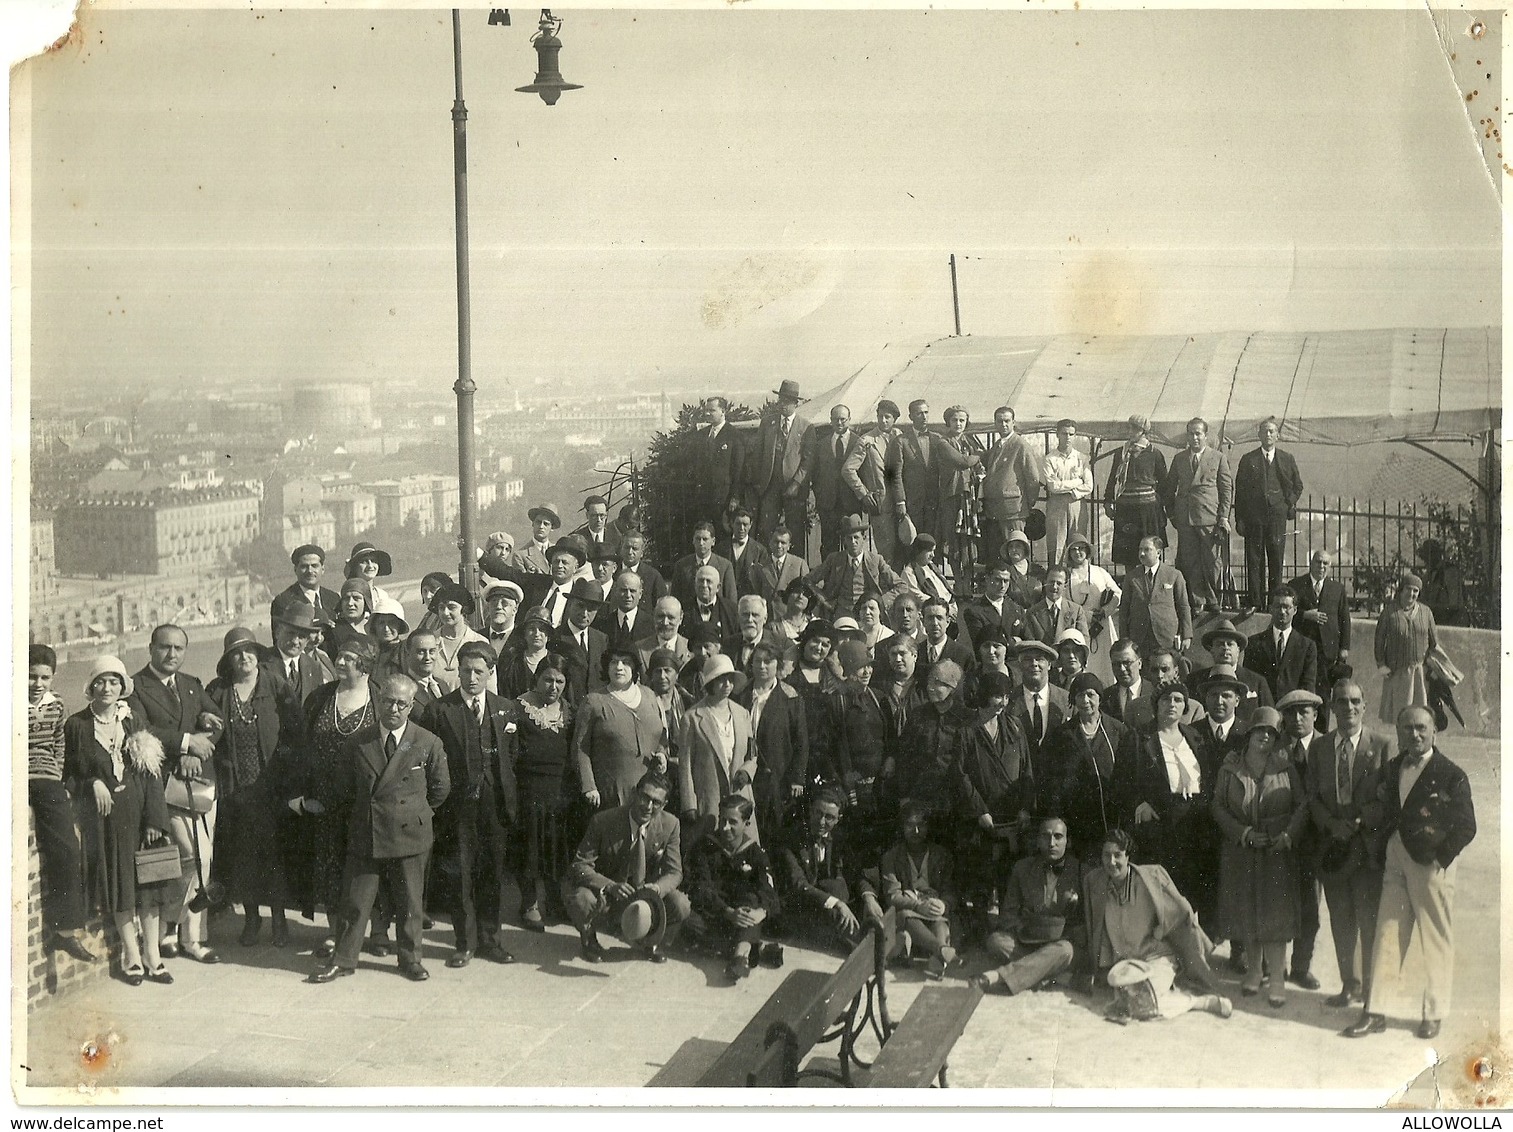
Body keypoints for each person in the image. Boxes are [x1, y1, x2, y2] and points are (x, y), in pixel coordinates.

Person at [309, 674, 450, 983]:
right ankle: (344, 959)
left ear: (411, 706)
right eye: (387, 701)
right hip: (368, 830)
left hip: (409, 832)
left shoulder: (427, 741)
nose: (394, 709)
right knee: (356, 902)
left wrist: (414, 813)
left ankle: (410, 959)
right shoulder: (359, 741)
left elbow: (440, 790)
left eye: (401, 703)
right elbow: (344, 789)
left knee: (410, 903)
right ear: (379, 701)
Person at [1345, 706, 1476, 1040]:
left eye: (1421, 728)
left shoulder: (1452, 774)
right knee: (1387, 933)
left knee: (1435, 940)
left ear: (1434, 732)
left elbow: (1466, 826)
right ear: (1399, 732)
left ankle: (1434, 1013)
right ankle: (1377, 1011)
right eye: (1407, 729)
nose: (1414, 735)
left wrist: (1439, 859)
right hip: (1396, 859)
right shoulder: (1392, 767)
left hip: (1431, 865)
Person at [65, 657, 180, 986]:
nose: (107, 688)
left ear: (122, 687)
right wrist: (92, 783)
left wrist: (156, 818)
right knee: (120, 888)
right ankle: (132, 956)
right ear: (91, 686)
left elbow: (151, 770)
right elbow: (71, 774)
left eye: (114, 682)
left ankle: (154, 957)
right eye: (101, 682)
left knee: (149, 889)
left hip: (142, 815)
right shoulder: (77, 725)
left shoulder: (132, 719)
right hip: (107, 822)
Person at [412, 641, 519, 967]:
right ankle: (465, 943)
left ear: (489, 673)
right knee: (460, 876)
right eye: (465, 671)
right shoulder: (440, 710)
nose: (471, 678)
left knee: (491, 873)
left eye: (478, 672)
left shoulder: (505, 708)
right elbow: (427, 760)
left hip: (494, 804)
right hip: (456, 808)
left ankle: (491, 940)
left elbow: (512, 755)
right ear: (457, 672)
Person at [126, 625, 221, 964]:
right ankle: (182, 932)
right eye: (165, 647)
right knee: (196, 856)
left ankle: (179, 932)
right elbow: (139, 728)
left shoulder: (191, 685)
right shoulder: (135, 687)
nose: (172, 655)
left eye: (179, 648)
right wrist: (184, 743)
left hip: (198, 786)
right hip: (164, 787)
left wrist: (196, 750)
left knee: (194, 861)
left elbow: (215, 721)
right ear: (151, 648)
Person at [205, 627, 299, 948]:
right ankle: (251, 917)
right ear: (228, 659)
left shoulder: (275, 685)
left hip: (269, 789)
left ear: (258, 655)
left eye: (249, 651)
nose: (244, 658)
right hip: (235, 791)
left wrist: (288, 776)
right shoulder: (218, 691)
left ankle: (279, 920)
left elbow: (294, 731)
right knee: (243, 857)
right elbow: (206, 731)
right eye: (236, 653)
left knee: (274, 855)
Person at [1210, 707, 1307, 1007]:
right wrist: (1242, 832)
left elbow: (1302, 806)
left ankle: (1276, 977)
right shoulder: (1230, 768)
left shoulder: (1285, 767)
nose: (1265, 736)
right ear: (1249, 733)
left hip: (1276, 852)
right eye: (1259, 730)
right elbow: (1217, 807)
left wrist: (1288, 834)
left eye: (1271, 732)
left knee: (1275, 917)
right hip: (1241, 852)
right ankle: (1253, 972)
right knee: (1247, 913)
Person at [1083, 829, 1232, 1022]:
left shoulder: (1149, 881)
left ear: (1128, 856)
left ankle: (1201, 1002)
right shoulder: (1097, 884)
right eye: (1106, 855)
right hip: (1127, 964)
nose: (1111, 862)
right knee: (1133, 1002)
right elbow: (1099, 930)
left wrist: (1164, 928)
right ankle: (1162, 999)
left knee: (1142, 1003)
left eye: (1117, 855)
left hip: (1158, 958)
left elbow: (1182, 910)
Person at [291, 636, 378, 959]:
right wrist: (302, 793)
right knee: (330, 868)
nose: (340, 662)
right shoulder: (320, 698)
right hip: (325, 801)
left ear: (365, 664)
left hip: (365, 802)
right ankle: (333, 932)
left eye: (348, 658)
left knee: (363, 869)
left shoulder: (379, 698)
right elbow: (300, 748)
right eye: (340, 656)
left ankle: (364, 932)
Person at [1307, 679, 1389, 1009]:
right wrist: (1331, 824)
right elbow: (1312, 797)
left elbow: (1387, 799)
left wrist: (1359, 820)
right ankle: (1349, 985)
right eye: (1342, 702)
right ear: (1332, 708)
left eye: (1355, 701)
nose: (1349, 708)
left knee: (1368, 922)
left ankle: (1372, 991)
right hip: (1335, 848)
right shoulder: (1320, 748)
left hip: (1365, 848)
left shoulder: (1380, 744)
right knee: (1341, 920)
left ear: (1365, 706)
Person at [565, 769, 689, 963]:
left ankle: (652, 940)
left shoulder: (671, 824)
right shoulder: (603, 820)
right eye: (644, 797)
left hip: (645, 896)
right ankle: (589, 938)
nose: (648, 806)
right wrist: (610, 885)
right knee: (582, 898)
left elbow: (674, 872)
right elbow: (580, 865)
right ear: (634, 793)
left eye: (656, 802)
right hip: (610, 895)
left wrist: (656, 888)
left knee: (681, 904)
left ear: (664, 804)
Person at [1128, 681, 1221, 931]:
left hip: (1197, 823)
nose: (1172, 704)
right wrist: (1140, 802)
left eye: (1178, 700)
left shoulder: (1195, 736)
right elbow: (1123, 779)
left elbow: (1209, 778)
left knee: (1196, 889)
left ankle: (1200, 951)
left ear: (1185, 706)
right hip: (1163, 824)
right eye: (1166, 699)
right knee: (1168, 894)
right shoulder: (1140, 737)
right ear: (1155, 705)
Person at [27, 644, 95, 962]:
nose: (37, 684)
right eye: (31, 677)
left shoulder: (56, 705)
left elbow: (59, 743)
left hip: (46, 780)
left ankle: (64, 933)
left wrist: (54, 774)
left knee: (68, 848)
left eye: (44, 677)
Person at [978, 816, 1086, 995]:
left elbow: (1086, 922)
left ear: (1068, 841)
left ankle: (1000, 976)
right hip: (1027, 940)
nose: (1051, 843)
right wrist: (1025, 930)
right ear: (1037, 841)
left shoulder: (1082, 871)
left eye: (1058, 837)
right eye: (1046, 836)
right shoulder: (1022, 868)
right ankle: (1053, 976)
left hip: (1060, 944)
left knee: (1066, 950)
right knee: (996, 942)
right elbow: (1008, 915)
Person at [955, 669, 1032, 914]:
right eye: (997, 696)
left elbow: (1026, 769)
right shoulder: (967, 729)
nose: (1002, 702)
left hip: (1011, 817)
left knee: (1009, 879)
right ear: (985, 695)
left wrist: (1025, 808)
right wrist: (979, 810)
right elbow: (959, 774)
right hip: (982, 819)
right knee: (981, 880)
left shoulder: (1014, 726)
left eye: (1007, 696)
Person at [685, 793, 780, 982]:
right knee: (688, 923)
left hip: (742, 915)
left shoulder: (755, 853)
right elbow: (700, 888)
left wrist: (762, 911)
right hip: (713, 913)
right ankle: (751, 949)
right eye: (722, 820)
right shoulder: (704, 847)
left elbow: (769, 892)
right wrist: (727, 912)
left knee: (752, 902)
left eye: (732, 822)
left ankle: (739, 957)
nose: (725, 827)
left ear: (746, 824)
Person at [775, 786, 881, 950]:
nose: (822, 822)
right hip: (800, 904)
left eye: (829, 817)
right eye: (818, 813)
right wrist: (837, 903)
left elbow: (855, 872)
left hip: (828, 899)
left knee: (859, 903)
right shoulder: (791, 839)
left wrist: (868, 898)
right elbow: (798, 884)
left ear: (838, 819)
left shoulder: (840, 838)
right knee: (838, 913)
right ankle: (867, 949)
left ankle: (874, 942)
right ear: (810, 810)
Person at [512, 657, 574, 931]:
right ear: (537, 679)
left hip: (559, 791)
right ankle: (529, 904)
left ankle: (555, 900)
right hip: (529, 790)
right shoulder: (519, 708)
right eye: (548, 679)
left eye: (559, 681)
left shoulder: (569, 712)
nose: (553, 686)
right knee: (529, 849)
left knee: (555, 847)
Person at [573, 644, 667, 814]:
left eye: (626, 662)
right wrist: (589, 786)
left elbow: (661, 736)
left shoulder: (650, 696)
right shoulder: (594, 701)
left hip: (649, 792)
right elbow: (581, 747)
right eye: (613, 662)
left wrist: (662, 754)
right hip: (611, 793)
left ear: (635, 667)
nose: (619, 667)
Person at [1047, 673, 1132, 855]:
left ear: (1100, 697)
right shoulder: (1062, 735)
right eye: (1079, 695)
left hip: (1113, 819)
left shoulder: (1118, 730)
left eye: (1090, 694)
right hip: (1078, 821)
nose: (1085, 700)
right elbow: (1054, 782)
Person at [678, 654, 759, 844]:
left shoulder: (742, 713)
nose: (727, 685)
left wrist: (747, 772)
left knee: (743, 850)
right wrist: (689, 804)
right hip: (709, 799)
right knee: (711, 850)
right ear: (710, 683)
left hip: (740, 797)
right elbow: (685, 764)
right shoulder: (692, 718)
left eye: (730, 680)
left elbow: (752, 753)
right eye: (721, 680)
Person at [1275, 688, 1325, 991]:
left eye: (1303, 712)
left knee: (1310, 907)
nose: (1296, 719)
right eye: (1290, 713)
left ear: (1315, 715)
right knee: (1278, 904)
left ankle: (1301, 966)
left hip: (1314, 840)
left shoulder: (1326, 745)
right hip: (1280, 837)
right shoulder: (1275, 747)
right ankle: (1274, 966)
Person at [879, 801, 959, 979]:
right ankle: (941, 950)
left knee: (940, 920)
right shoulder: (891, 857)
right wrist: (917, 906)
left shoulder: (941, 855)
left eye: (920, 825)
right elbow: (892, 897)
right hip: (909, 914)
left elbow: (951, 892)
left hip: (934, 911)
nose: (915, 831)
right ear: (902, 827)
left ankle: (938, 960)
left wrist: (943, 904)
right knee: (906, 915)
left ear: (928, 826)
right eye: (910, 825)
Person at [1162, 417, 1233, 616]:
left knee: (1212, 561)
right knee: (1191, 561)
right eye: (1191, 434)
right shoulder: (1180, 459)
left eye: (1198, 434)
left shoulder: (1217, 457)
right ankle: (1198, 601)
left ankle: (1213, 598)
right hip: (1186, 518)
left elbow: (1226, 489)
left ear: (1205, 436)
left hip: (1209, 518)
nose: (1194, 438)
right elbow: (1169, 488)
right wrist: (1172, 514)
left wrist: (1224, 517)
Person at [735, 642, 808, 837]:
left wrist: (797, 779)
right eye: (757, 661)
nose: (762, 666)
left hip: (777, 775)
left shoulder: (791, 698)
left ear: (778, 664)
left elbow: (801, 742)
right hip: (744, 775)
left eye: (768, 661)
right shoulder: (740, 694)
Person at [1233, 417, 1303, 609]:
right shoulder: (1248, 460)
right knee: (1254, 560)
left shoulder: (1287, 459)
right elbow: (1240, 491)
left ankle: (1274, 602)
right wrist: (1239, 519)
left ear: (1278, 435)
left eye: (1272, 431)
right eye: (1264, 431)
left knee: (1276, 560)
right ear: (1259, 435)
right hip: (1253, 518)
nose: (1268, 434)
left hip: (1277, 519)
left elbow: (1298, 486)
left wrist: (1287, 503)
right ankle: (1255, 602)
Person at [895, 660, 974, 829]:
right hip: (921, 797)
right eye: (930, 682)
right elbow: (904, 757)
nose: (930, 687)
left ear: (953, 688)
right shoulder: (918, 715)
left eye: (938, 683)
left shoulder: (967, 719)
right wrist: (904, 795)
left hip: (955, 801)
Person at [747, 380, 815, 553]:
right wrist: (758, 482)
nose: (782, 404)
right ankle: (766, 572)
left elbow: (808, 461)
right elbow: (758, 455)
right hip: (770, 487)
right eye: (781, 400)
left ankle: (795, 574)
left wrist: (796, 484)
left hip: (794, 489)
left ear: (796, 403)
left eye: (787, 401)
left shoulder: (806, 427)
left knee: (795, 533)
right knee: (766, 530)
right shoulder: (767, 423)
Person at [803, 514, 909, 618]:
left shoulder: (876, 560)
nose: (853, 542)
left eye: (856, 537)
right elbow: (808, 580)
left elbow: (901, 586)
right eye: (849, 538)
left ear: (864, 537)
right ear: (844, 540)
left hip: (867, 613)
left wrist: (880, 602)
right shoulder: (835, 559)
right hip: (840, 613)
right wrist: (824, 600)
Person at [1290, 549, 1351, 729]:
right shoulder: (1296, 585)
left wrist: (1344, 647)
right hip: (1302, 648)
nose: (1321, 567)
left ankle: (1321, 734)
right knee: (1302, 690)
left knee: (1323, 694)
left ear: (1330, 567)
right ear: (1311, 563)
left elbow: (1344, 619)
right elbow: (1286, 612)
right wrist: (1304, 615)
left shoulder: (1337, 589)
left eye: (1325, 563)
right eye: (1318, 562)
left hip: (1327, 651)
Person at [841, 399, 907, 564]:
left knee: (905, 547)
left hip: (903, 501)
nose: (883, 421)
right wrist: (863, 494)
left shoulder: (901, 437)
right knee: (886, 550)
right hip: (881, 504)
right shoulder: (867, 440)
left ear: (895, 419)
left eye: (888, 417)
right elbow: (848, 469)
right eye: (880, 416)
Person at [1102, 416, 1168, 574]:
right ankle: (1132, 587)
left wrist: (1159, 507)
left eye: (1135, 428)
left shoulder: (1154, 453)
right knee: (1129, 554)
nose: (1130, 432)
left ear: (1144, 431)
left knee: (1150, 550)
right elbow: (1112, 478)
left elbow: (1165, 483)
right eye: (1129, 428)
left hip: (1147, 512)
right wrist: (1108, 501)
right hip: (1126, 510)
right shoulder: (1122, 453)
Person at [1373, 571, 1440, 726]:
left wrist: (1432, 667)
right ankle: (1402, 746)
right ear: (1401, 590)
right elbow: (1379, 640)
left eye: (1415, 591)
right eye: (1408, 589)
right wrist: (1381, 664)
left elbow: (1434, 643)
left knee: (1421, 716)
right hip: (1397, 672)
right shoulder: (1389, 612)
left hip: (1420, 673)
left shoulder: (1426, 612)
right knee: (1401, 715)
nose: (1411, 594)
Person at [980, 405, 1042, 562]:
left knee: (1015, 552)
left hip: (1014, 510)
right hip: (995, 509)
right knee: (999, 553)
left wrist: (1027, 503)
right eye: (1000, 421)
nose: (1003, 425)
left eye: (1007, 421)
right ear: (995, 423)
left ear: (1013, 422)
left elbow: (1033, 478)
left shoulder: (1020, 445)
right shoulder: (997, 446)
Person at [1006, 641, 1068, 784]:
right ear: (1020, 665)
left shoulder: (1066, 700)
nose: (1034, 664)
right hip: (1021, 785)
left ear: (1050, 665)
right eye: (1027, 659)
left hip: (1057, 784)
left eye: (1040, 659)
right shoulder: (1009, 702)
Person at [1121, 536, 1192, 660]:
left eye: (1147, 549)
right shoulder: (1131, 577)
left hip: (1166, 637)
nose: (1142, 553)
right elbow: (1124, 610)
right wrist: (1124, 638)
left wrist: (1186, 635)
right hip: (1139, 638)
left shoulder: (1174, 575)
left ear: (1158, 553)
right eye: (1140, 549)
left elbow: (1183, 606)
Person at [1244, 587, 1319, 703]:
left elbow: (1308, 686)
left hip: (1293, 710)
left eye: (1286, 607)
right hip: (1264, 711)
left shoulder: (1307, 646)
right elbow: (1250, 683)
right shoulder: (1254, 643)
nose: (1282, 611)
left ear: (1294, 610)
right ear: (1271, 609)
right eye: (1278, 607)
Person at [1189, 617, 1273, 716]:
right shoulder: (1195, 680)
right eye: (1220, 644)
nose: (1225, 648)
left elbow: (1269, 716)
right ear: (1211, 650)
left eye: (1230, 644)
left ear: (1238, 650)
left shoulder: (1257, 681)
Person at [812, 404, 866, 557]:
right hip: (828, 505)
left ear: (849, 420)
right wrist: (820, 495)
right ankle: (831, 580)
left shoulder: (859, 442)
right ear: (830, 421)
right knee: (829, 545)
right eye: (836, 419)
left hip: (851, 504)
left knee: (853, 545)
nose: (839, 423)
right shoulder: (821, 444)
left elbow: (863, 473)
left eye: (843, 419)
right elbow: (815, 474)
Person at [935, 405, 984, 570]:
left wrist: (978, 465)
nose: (958, 424)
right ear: (948, 422)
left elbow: (979, 467)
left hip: (968, 497)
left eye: (962, 420)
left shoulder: (968, 441)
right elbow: (962, 462)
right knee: (953, 538)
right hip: (951, 495)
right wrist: (977, 456)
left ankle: (968, 583)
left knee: (968, 539)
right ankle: (957, 581)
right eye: (954, 420)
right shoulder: (943, 442)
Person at [1042, 419, 1093, 569]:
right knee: (1057, 546)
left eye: (1071, 434)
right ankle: (1056, 582)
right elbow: (1053, 486)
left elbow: (1089, 486)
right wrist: (1077, 482)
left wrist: (1073, 490)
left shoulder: (1082, 458)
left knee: (1078, 543)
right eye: (1064, 433)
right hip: (1057, 505)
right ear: (1057, 434)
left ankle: (1078, 580)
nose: (1068, 437)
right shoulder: (1050, 459)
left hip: (1077, 503)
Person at [1063, 532, 1122, 661]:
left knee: (1103, 661)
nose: (1078, 552)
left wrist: (1105, 611)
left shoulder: (1099, 572)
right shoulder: (1066, 575)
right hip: (1078, 624)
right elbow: (1063, 602)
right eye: (1074, 549)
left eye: (1081, 548)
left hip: (1101, 625)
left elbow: (1118, 594)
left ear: (1087, 550)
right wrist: (1085, 615)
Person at [265, 604, 336, 706]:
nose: (295, 641)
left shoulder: (314, 667)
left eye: (301, 636)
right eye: (290, 633)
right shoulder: (262, 662)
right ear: (278, 632)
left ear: (307, 640)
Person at [553, 579, 611, 702]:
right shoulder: (555, 637)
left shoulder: (602, 639)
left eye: (591, 609)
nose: (584, 613)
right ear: (569, 604)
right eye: (580, 606)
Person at [695, 396, 746, 534]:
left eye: (712, 410)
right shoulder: (702, 435)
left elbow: (739, 469)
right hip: (705, 497)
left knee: (722, 534)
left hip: (724, 498)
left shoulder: (734, 435)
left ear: (723, 411)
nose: (707, 414)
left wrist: (735, 497)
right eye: (706, 410)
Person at [270, 544, 341, 635]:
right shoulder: (283, 602)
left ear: (322, 569)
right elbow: (280, 639)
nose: (310, 571)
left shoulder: (333, 598)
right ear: (296, 570)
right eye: (304, 566)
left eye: (314, 566)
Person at [430, 582, 486, 694]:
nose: (445, 613)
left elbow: (489, 689)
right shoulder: (430, 641)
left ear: (463, 609)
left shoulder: (479, 642)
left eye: (451, 607)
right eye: (441, 608)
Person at [896, 399, 940, 543]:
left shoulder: (937, 439)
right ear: (911, 417)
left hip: (935, 500)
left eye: (926, 412)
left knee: (934, 540)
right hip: (913, 501)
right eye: (919, 413)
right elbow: (895, 474)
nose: (924, 416)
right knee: (915, 541)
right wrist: (900, 501)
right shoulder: (901, 441)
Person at [961, 559, 1028, 650]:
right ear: (987, 579)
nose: (1002, 586)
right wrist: (1014, 642)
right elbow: (982, 646)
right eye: (998, 580)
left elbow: (1028, 641)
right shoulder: (974, 611)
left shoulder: (1016, 609)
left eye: (1006, 581)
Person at [1023, 566, 1092, 647]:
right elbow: (1030, 643)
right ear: (1045, 582)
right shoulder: (1032, 612)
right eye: (1051, 582)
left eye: (1059, 583)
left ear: (1065, 586)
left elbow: (1084, 641)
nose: (1054, 587)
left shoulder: (1076, 611)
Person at [717, 507, 774, 599]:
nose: (741, 528)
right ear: (731, 523)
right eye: (738, 524)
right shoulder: (721, 548)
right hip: (726, 600)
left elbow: (764, 583)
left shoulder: (760, 550)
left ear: (750, 525)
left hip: (750, 601)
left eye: (745, 524)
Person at [900, 533, 956, 623]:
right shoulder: (909, 572)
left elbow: (945, 589)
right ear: (919, 551)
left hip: (948, 611)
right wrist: (946, 608)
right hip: (933, 614)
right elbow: (919, 597)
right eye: (929, 551)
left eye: (934, 551)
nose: (933, 555)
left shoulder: (931, 567)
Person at [682, 564, 739, 650]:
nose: (704, 585)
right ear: (695, 584)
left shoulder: (732, 610)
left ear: (718, 587)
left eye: (708, 581)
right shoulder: (683, 609)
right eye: (701, 581)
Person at [538, 537, 589, 630]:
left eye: (564, 562)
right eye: (556, 561)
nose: (559, 566)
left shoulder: (579, 595)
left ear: (575, 567)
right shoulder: (538, 584)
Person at [1414, 539, 1466, 628]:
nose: (1425, 559)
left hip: (1450, 620)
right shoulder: (1428, 574)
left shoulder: (1450, 571)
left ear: (1436, 555)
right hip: (1435, 619)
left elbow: (1455, 603)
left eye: (1429, 554)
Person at [634, 595, 691, 674]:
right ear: (654, 616)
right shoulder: (639, 649)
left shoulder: (690, 649)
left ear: (680, 618)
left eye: (671, 617)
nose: (665, 622)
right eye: (660, 616)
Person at [322, 577, 372, 662]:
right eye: (346, 598)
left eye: (356, 598)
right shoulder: (332, 632)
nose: (350, 603)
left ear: (366, 602)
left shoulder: (375, 628)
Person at [917, 599, 975, 672]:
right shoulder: (915, 652)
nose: (935, 623)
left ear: (947, 621)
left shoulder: (963, 655)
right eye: (930, 618)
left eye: (939, 618)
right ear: (923, 621)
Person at [593, 570, 647, 647]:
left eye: (632, 591)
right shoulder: (603, 624)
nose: (628, 595)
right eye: (623, 590)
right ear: (615, 591)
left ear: (640, 594)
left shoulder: (651, 625)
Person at [766, 527, 810, 617]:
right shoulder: (760, 566)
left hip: (791, 617)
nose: (779, 546)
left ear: (789, 545)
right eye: (776, 542)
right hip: (768, 617)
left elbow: (808, 593)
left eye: (783, 543)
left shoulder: (799, 564)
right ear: (770, 543)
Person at [344, 541, 397, 613]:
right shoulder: (349, 596)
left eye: (373, 561)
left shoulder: (382, 595)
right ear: (355, 567)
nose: (370, 566)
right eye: (364, 561)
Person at [620, 531, 669, 607]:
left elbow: (662, 606)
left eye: (634, 548)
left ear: (642, 552)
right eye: (627, 547)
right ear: (621, 548)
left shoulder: (653, 576)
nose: (630, 552)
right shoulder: (612, 572)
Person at [518, 506, 563, 575]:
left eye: (546, 524)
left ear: (552, 527)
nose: (541, 526)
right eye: (538, 522)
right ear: (533, 524)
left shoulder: (559, 552)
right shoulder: (520, 555)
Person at [775, 578, 818, 646]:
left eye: (805, 594)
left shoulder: (816, 624)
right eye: (797, 591)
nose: (800, 596)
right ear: (788, 594)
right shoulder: (775, 627)